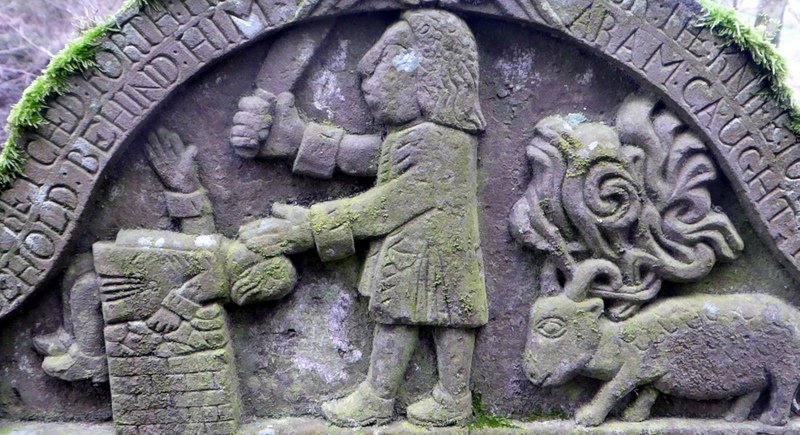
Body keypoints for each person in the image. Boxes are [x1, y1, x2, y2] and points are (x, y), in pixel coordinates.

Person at [234, 9, 488, 427]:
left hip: (435, 253)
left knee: (440, 319)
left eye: (388, 60)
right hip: (415, 251)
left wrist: (309, 227)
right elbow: (366, 156)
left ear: (431, 75)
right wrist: (296, 140)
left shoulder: (443, 139)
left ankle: (430, 397)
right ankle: (410, 396)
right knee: (410, 318)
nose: (366, 75)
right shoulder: (413, 136)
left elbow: (389, 203)